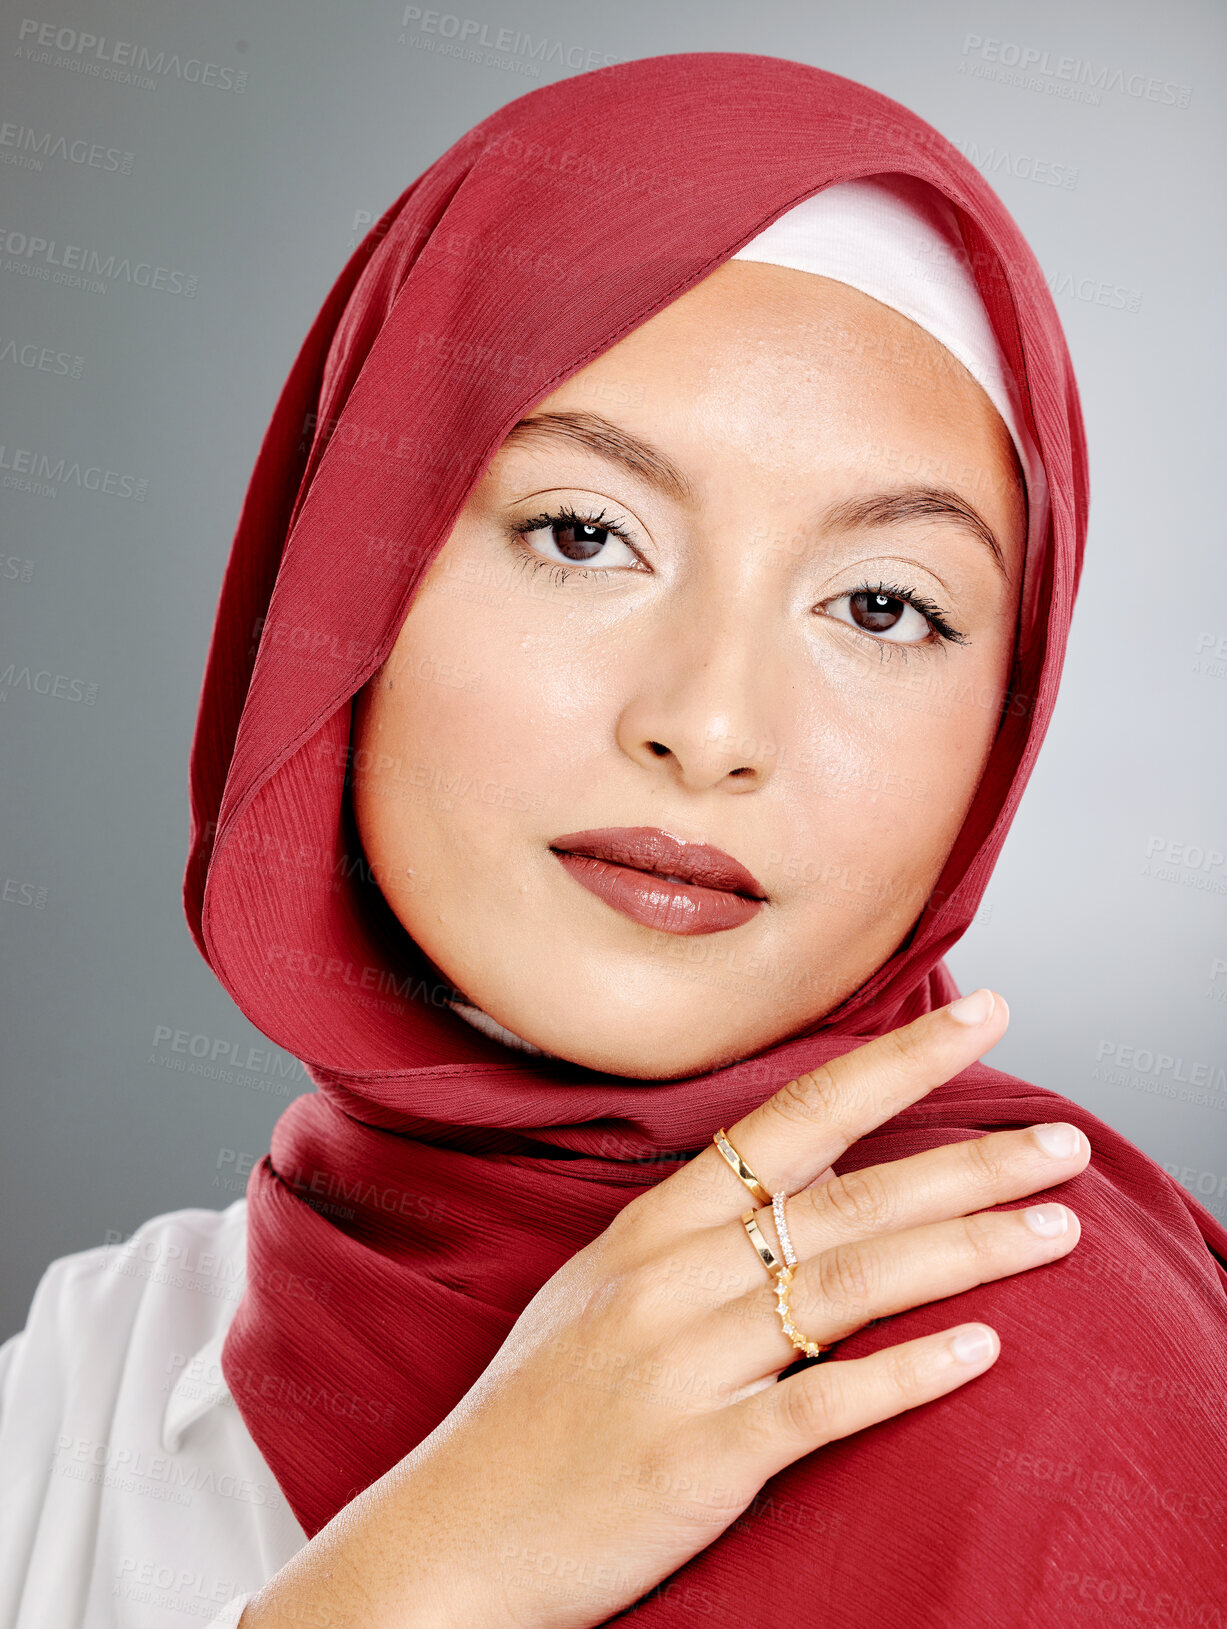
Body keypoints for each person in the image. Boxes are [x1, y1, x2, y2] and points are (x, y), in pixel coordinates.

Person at [2, 52, 1224, 1629]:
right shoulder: (95, 1367)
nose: (709, 725)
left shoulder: (1071, 1378)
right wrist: (427, 1581)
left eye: (881, 605)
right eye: (584, 534)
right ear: (344, 586)